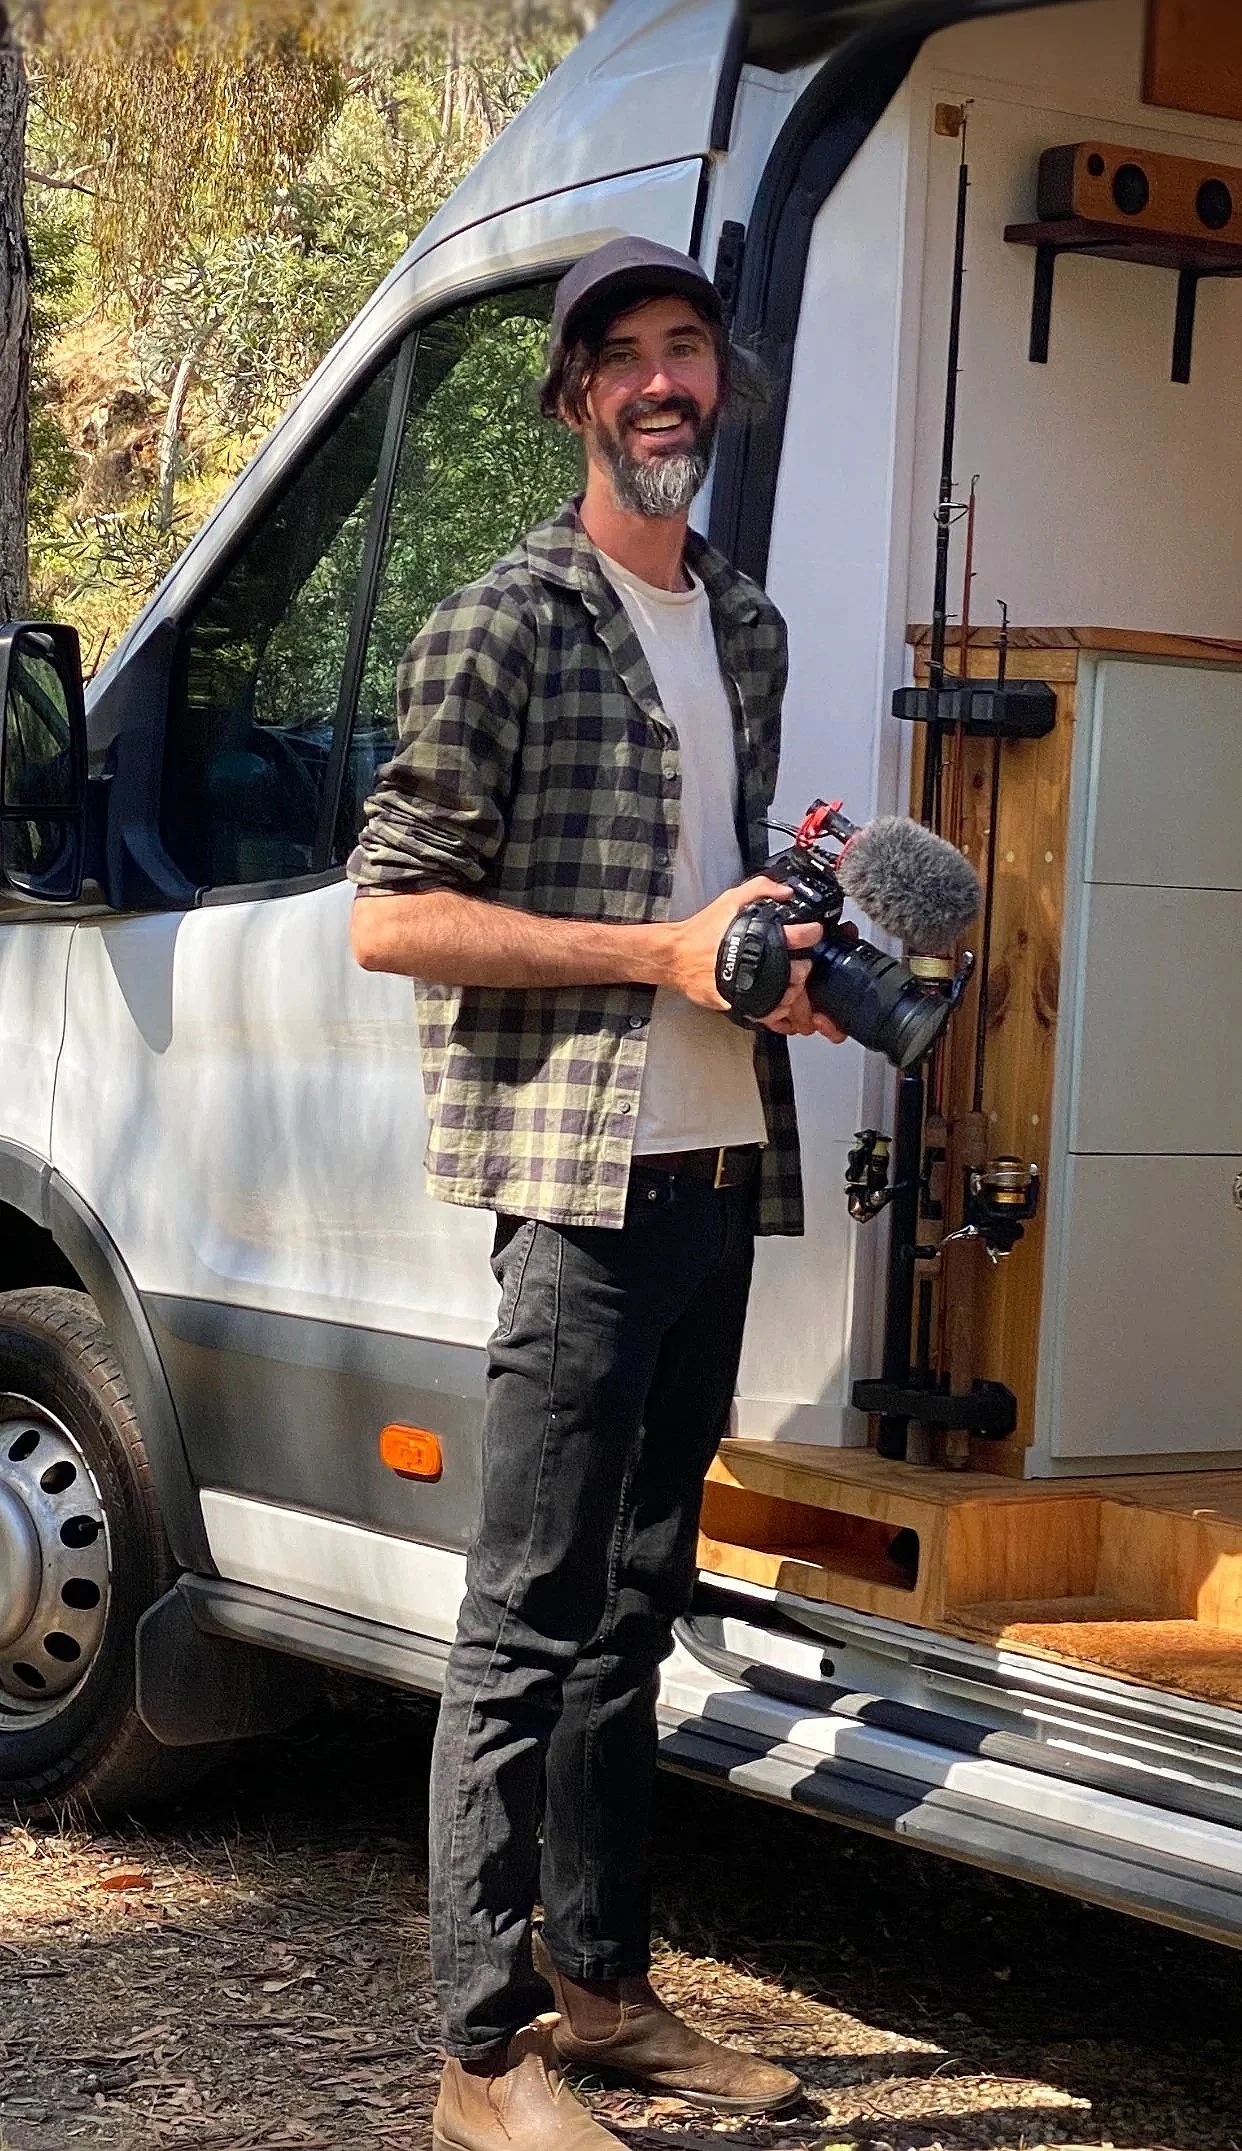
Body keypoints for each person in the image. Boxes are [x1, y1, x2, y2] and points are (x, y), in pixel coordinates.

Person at [348, 236, 844, 2151]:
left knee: (640, 1605)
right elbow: (392, 915)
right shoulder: (499, 623)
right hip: (578, 1188)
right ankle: (480, 2056)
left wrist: (778, 954)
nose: (659, 383)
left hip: (719, 1161)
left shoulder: (746, 622)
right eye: (621, 357)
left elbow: (715, 890)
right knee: (527, 1620)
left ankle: (603, 1988)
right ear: (571, 400)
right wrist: (653, 951)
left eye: (686, 350)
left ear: (718, 387)